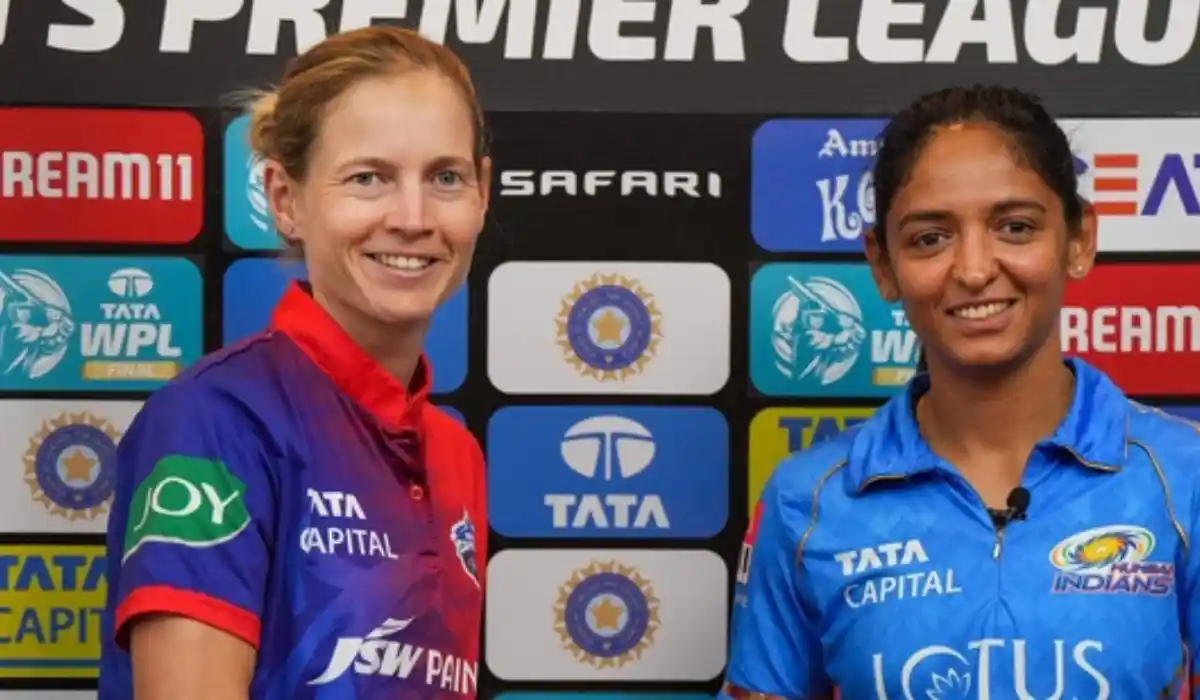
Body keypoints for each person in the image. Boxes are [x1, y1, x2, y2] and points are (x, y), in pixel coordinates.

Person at [721, 85, 1200, 698]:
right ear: (883, 265)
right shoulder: (807, 502)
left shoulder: (1183, 476)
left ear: (1078, 240)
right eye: (930, 238)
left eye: (1015, 227)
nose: (974, 270)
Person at [97, 26, 491, 700]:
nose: (413, 217)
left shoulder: (456, 455)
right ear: (285, 200)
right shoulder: (215, 423)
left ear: (482, 192)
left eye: (444, 177)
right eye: (368, 178)